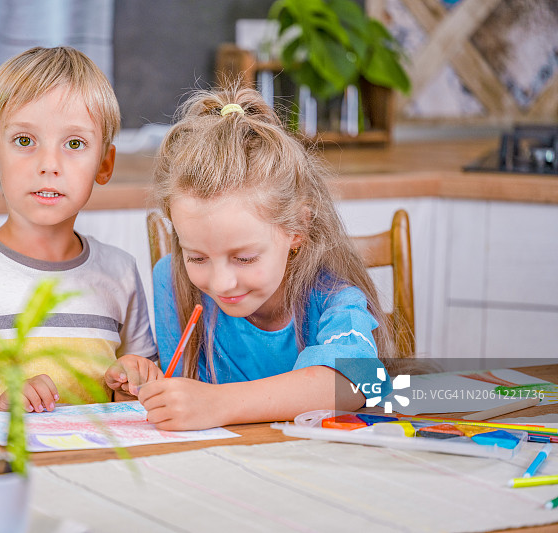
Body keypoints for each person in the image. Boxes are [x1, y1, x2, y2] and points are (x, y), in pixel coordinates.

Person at [0, 46, 158, 418]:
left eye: (74, 144)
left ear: (104, 164)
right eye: (25, 141)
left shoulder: (120, 271)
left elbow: (135, 403)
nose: (49, 165)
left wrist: (134, 385)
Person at [138, 86, 394, 430]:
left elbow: (361, 384)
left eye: (244, 258)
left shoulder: (336, 300)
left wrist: (217, 404)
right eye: (197, 257)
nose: (221, 282)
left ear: (297, 228)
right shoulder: (172, 281)